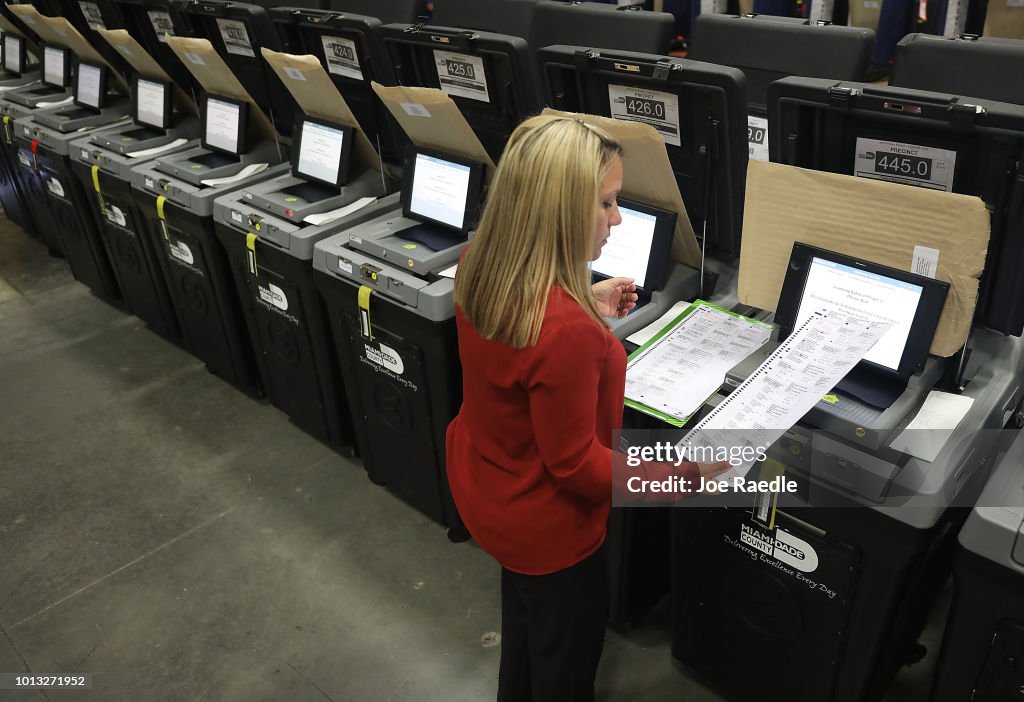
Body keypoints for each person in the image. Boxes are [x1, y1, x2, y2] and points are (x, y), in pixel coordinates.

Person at [446, 114, 728, 701]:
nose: (617, 219)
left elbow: (521, 349)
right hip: (550, 529)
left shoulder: (481, 263)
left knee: (529, 635)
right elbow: (577, 467)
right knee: (565, 666)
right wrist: (686, 474)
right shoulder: (562, 329)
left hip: (492, 490)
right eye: (605, 203)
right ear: (556, 210)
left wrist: (584, 297)